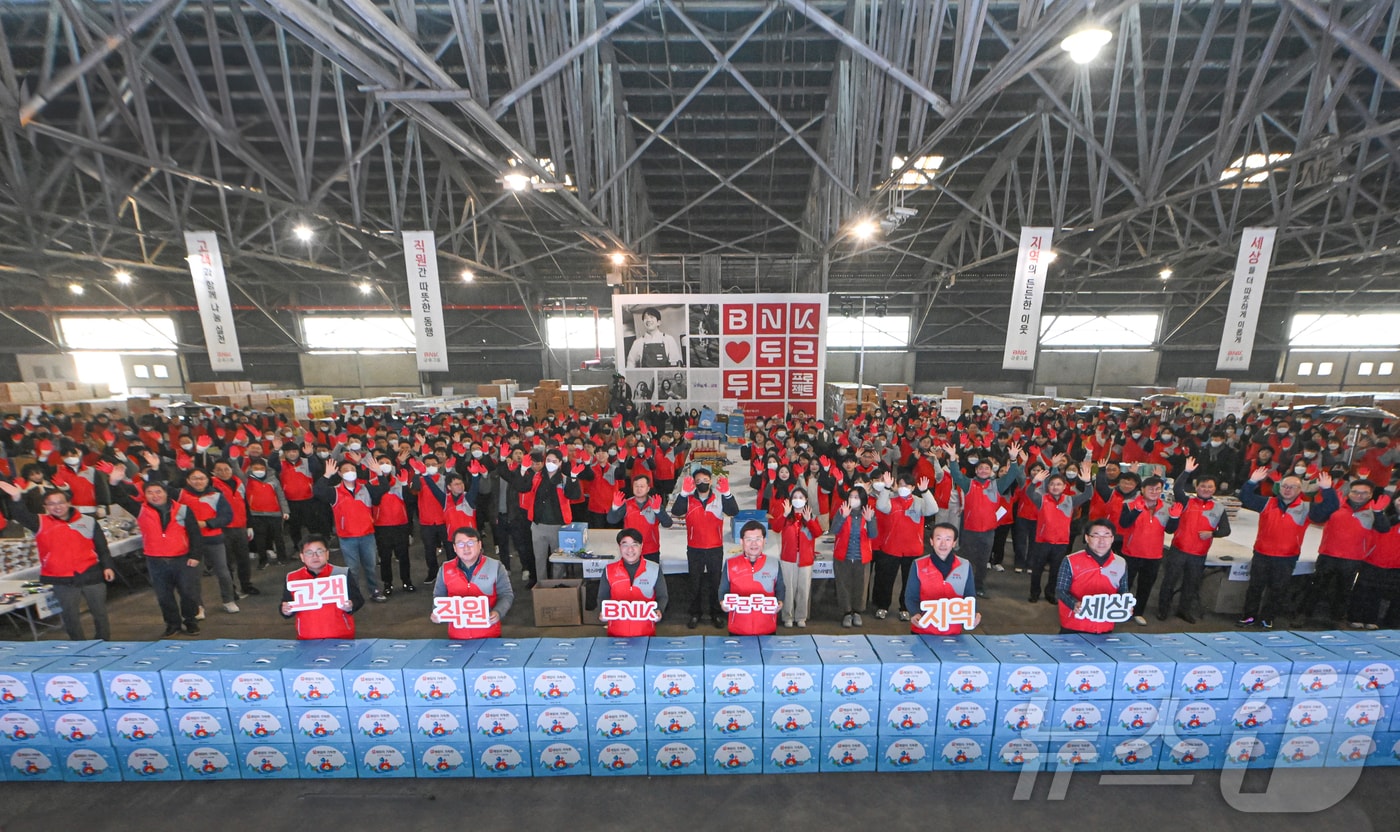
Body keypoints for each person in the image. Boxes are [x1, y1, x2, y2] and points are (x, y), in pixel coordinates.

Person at [0, 483, 114, 640]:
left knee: (100, 612)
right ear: (45, 507)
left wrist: (108, 566)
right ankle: (78, 644)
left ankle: (104, 641)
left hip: (91, 573)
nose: (57, 507)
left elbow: (102, 547)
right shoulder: (39, 522)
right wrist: (16, 498)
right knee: (70, 616)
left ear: (68, 503)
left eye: (60, 502)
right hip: (61, 578)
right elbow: (20, 514)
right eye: (51, 504)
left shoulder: (89, 521)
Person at [1236, 469, 1338, 629]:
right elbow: (1245, 498)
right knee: (1255, 587)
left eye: (1292, 487)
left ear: (1300, 490)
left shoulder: (1306, 508)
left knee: (1277, 589)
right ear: (1279, 488)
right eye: (1284, 486)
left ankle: (1267, 618)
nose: (1287, 489)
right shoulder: (1267, 503)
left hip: (1287, 557)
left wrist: (1327, 490)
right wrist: (1251, 482)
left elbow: (1331, 507)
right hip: (1262, 553)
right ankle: (1249, 616)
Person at [109, 471, 207, 637]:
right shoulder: (141, 510)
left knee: (188, 593)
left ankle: (191, 621)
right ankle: (172, 624)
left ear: (166, 493)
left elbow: (195, 534)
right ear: (145, 495)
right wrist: (113, 483)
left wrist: (195, 555)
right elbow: (121, 499)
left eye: (158, 492)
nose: (155, 496)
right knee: (164, 595)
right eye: (150, 493)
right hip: (156, 561)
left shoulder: (183, 510)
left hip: (182, 559)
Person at [1300, 478, 1391, 625]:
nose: (1359, 495)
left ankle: (1337, 619)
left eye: (1364, 493)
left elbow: (1384, 528)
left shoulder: (1373, 511)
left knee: (1343, 590)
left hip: (1353, 558)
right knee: (1317, 586)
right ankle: (1304, 615)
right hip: (1328, 554)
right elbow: (1317, 518)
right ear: (1349, 492)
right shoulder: (1336, 505)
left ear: (1370, 495)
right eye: (1355, 492)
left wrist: (1379, 513)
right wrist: (1329, 504)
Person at [944, 441, 1024, 597]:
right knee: (966, 560)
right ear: (976, 470)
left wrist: (1014, 459)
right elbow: (956, 475)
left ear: (991, 471)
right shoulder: (968, 484)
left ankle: (979, 587)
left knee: (982, 561)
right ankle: (962, 587)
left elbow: (1012, 475)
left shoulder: (997, 485)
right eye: (980, 468)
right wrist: (953, 459)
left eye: (987, 468)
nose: (983, 470)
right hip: (969, 530)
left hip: (988, 532)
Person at [1158, 459, 1231, 623]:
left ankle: (1184, 610)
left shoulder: (1219, 508)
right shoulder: (1186, 501)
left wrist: (1212, 533)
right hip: (1179, 549)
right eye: (1203, 486)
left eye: (1210, 487)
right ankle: (1163, 609)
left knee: (1191, 584)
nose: (1206, 489)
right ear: (1196, 487)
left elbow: (1226, 530)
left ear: (1215, 489)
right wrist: (1186, 472)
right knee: (1169, 581)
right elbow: (1177, 488)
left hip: (1199, 553)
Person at [503, 448, 582, 590]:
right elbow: (521, 487)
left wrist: (574, 478)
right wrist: (523, 470)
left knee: (558, 560)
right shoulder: (536, 477)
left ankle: (556, 586)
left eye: (554, 461)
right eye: (548, 460)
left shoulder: (564, 479)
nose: (550, 463)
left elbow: (574, 495)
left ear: (560, 463)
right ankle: (542, 587)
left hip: (558, 526)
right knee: (539, 558)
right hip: (538, 525)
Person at [314, 457, 391, 603]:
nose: (350, 472)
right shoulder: (334, 492)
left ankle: (374, 591)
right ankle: (353, 595)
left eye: (352, 469)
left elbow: (384, 488)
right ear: (340, 474)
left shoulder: (366, 488)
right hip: (347, 537)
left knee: (371, 566)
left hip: (367, 534)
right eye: (346, 470)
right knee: (352, 568)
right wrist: (326, 475)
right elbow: (317, 491)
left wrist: (379, 474)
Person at [672, 466, 738, 629]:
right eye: (698, 480)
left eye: (705, 480)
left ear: (710, 481)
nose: (702, 483)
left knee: (715, 582)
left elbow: (734, 511)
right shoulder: (688, 499)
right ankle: (695, 613)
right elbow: (676, 511)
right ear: (694, 483)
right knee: (695, 582)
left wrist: (727, 494)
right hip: (694, 548)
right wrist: (683, 494)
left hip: (715, 548)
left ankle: (716, 613)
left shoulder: (719, 498)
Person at [872, 472, 938, 621]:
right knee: (886, 579)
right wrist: (887, 488)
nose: (903, 488)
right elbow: (881, 506)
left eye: (907, 485)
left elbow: (933, 509)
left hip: (912, 549)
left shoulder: (919, 502)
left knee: (909, 581)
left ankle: (905, 608)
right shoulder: (891, 499)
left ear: (913, 487)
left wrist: (925, 492)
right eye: (900, 484)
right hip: (891, 548)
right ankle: (883, 606)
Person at [1025, 462, 1093, 603]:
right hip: (1042, 541)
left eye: (1058, 484)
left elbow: (1088, 494)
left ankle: (1050, 593)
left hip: (1061, 542)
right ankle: (1034, 593)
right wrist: (1034, 482)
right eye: (1052, 484)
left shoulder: (1070, 500)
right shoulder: (1041, 499)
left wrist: (1088, 482)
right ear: (1048, 487)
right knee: (1037, 569)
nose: (1055, 487)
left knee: (1056, 570)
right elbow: (1029, 493)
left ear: (1064, 486)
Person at [431, 527, 513, 639]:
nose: (466, 548)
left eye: (470, 543)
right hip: (457, 636)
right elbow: (439, 596)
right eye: (460, 544)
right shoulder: (445, 568)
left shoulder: (496, 566)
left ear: (479, 544)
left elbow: (506, 595)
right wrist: (436, 611)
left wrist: (498, 612)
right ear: (454, 548)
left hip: (490, 635)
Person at [176, 468, 239, 614]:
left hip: (214, 539)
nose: (198, 481)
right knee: (193, 576)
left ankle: (228, 600)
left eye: (202, 478)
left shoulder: (216, 495)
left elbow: (227, 516)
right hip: (190, 542)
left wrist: (207, 523)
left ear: (207, 480)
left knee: (223, 573)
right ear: (188, 480)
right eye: (194, 478)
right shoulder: (180, 495)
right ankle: (198, 607)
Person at [280, 534, 363, 639]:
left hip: (341, 635)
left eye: (320, 552)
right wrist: (285, 610)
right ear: (302, 557)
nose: (315, 556)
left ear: (327, 554)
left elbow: (358, 599)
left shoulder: (342, 573)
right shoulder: (292, 578)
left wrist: (351, 606)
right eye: (309, 553)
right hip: (307, 637)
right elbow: (286, 603)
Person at [1057, 520, 1130, 635]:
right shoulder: (1070, 560)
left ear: (1112, 538)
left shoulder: (1120, 562)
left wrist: (1125, 605)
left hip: (1105, 625)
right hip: (1075, 625)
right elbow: (1061, 590)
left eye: (1106, 535)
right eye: (1096, 535)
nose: (1102, 540)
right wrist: (1074, 604)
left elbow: (1123, 590)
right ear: (1087, 538)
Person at [1117, 476, 1173, 626]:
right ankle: (1120, 610)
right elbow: (1123, 523)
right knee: (1125, 584)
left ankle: (1138, 612)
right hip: (1131, 552)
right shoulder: (1129, 504)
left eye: (1157, 489)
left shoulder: (1167, 508)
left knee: (1146, 586)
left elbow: (1170, 530)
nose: (1154, 492)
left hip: (1154, 554)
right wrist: (1136, 511)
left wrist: (1175, 518)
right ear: (1142, 490)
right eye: (1151, 489)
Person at [905, 523, 979, 635]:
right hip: (923, 630)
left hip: (953, 632)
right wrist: (915, 613)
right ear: (931, 541)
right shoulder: (918, 564)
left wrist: (973, 614)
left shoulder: (964, 565)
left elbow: (970, 596)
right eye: (938, 538)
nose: (943, 544)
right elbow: (911, 597)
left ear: (954, 543)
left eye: (948, 539)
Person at [597, 528, 668, 637]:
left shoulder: (654, 569)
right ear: (619, 547)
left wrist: (659, 610)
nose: (630, 549)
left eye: (635, 544)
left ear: (641, 546)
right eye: (625, 545)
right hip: (615, 634)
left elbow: (662, 596)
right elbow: (602, 597)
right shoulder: (609, 570)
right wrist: (603, 611)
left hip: (646, 633)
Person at [718, 521, 784, 636]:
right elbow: (723, 590)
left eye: (758, 539)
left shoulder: (774, 564)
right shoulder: (730, 564)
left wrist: (780, 602)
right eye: (749, 539)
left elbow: (780, 588)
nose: (754, 544)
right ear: (741, 541)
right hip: (738, 629)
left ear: (764, 541)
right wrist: (722, 603)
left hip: (767, 628)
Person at [772, 487, 821, 628]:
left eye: (801, 497)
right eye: (795, 497)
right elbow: (775, 528)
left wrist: (809, 521)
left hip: (805, 558)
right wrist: (784, 515)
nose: (798, 500)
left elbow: (817, 533)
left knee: (803, 588)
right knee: (788, 588)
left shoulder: (811, 516)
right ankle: (788, 616)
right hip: (788, 557)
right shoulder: (787, 516)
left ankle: (801, 616)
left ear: (806, 500)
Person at [211, 460, 259, 597]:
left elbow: (245, 504)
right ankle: (230, 590)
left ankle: (246, 585)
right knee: (226, 562)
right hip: (223, 529)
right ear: (213, 472)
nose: (223, 472)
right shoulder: (212, 486)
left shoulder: (239, 483)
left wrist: (249, 525)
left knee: (244, 559)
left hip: (240, 527)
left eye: (226, 469)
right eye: (219, 470)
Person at [1348, 503, 1400, 629]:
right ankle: (1355, 617)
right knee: (1363, 590)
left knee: (1379, 594)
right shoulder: (1381, 517)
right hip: (1372, 559)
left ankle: (1372, 619)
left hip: (1394, 564)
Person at [831, 486, 876, 627]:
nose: (853, 499)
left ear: (862, 499)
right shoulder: (842, 511)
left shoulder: (868, 513)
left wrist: (870, 521)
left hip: (862, 557)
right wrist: (843, 517)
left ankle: (857, 612)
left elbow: (873, 534)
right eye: (851, 496)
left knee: (860, 586)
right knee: (843, 585)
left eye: (856, 497)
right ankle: (846, 612)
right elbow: (834, 530)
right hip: (843, 555)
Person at [606, 473, 673, 563]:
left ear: (648, 488)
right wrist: (614, 508)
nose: (639, 489)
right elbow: (611, 520)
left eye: (642, 486)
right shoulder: (626, 504)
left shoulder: (655, 504)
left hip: (651, 549)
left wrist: (658, 511)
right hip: (630, 550)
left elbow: (668, 523)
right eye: (636, 486)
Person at [244, 457, 290, 569]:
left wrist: (285, 510)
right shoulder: (246, 480)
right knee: (260, 539)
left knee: (278, 538)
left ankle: (282, 558)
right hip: (256, 515)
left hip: (275, 514)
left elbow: (281, 496)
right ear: (251, 468)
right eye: (256, 468)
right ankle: (263, 561)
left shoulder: (273, 479)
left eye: (261, 468)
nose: (259, 470)